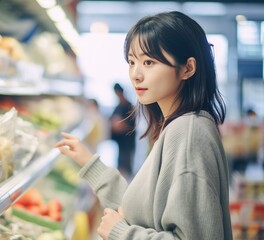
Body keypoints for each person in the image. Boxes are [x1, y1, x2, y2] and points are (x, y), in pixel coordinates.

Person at [55, 11, 232, 240]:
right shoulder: (176, 125)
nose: (136, 75)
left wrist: (121, 233)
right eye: (132, 61)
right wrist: (89, 163)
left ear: (188, 68)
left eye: (149, 62)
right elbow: (142, 212)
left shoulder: (188, 134)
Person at [110, 83, 136, 178]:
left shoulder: (129, 106)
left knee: (126, 165)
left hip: (128, 142)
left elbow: (132, 126)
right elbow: (111, 120)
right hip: (120, 142)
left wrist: (121, 125)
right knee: (120, 164)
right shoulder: (118, 107)